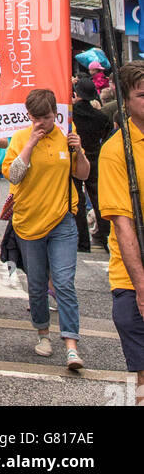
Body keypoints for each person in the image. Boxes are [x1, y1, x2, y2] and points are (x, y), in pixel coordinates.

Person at [2, 87, 90, 371]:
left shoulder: (66, 137)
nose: (42, 123)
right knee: (38, 284)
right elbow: (14, 175)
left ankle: (71, 344)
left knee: (64, 282)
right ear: (29, 116)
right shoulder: (20, 138)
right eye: (36, 118)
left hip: (62, 219)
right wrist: (30, 143)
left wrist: (79, 151)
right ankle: (43, 333)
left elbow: (82, 174)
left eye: (47, 117)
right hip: (29, 222)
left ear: (56, 114)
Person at [98, 61, 144, 405]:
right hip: (133, 277)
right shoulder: (116, 151)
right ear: (126, 101)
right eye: (142, 95)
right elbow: (123, 224)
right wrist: (141, 287)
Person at [71, 74, 112, 251]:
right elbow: (107, 136)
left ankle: (82, 241)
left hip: (76, 157)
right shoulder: (101, 117)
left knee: (77, 199)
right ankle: (105, 237)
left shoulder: (71, 114)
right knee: (97, 198)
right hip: (95, 157)